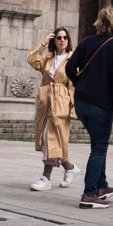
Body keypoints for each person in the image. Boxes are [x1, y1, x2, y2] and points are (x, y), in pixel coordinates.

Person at [65, 6, 113, 209]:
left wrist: (80, 82)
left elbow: (68, 67)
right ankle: (89, 193)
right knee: (99, 148)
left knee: (98, 145)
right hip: (100, 104)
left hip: (82, 102)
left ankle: (101, 186)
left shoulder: (86, 42)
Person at [27, 27, 79, 191]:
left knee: (51, 140)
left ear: (68, 40)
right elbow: (31, 58)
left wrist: (72, 109)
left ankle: (46, 178)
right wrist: (43, 43)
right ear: (54, 40)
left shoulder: (72, 60)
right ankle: (69, 168)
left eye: (65, 37)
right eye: (58, 37)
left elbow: (74, 87)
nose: (62, 40)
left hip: (61, 103)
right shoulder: (48, 59)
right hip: (45, 103)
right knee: (49, 141)